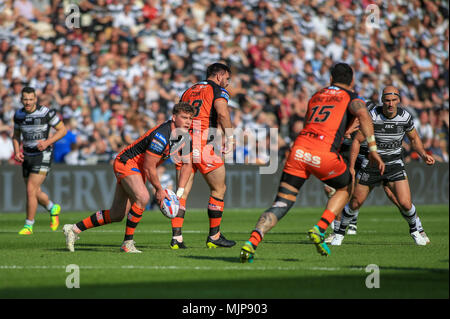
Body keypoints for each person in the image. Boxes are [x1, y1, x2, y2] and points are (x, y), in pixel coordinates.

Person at [240, 63, 385, 262]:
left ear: (331, 79)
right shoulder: (351, 97)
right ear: (352, 81)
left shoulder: (316, 96)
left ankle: (253, 240)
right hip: (323, 153)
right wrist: (373, 149)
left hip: (298, 149)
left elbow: (314, 123)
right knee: (346, 186)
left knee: (282, 201)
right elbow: (363, 115)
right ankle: (321, 227)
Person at [62, 102, 195, 253]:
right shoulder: (161, 135)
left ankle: (73, 229)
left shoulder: (185, 136)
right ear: (173, 117)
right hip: (126, 162)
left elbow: (187, 164)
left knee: (117, 214)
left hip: (138, 170)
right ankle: (127, 243)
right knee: (143, 197)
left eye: (190, 118)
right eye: (184, 117)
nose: (188, 121)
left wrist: (179, 193)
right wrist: (158, 189)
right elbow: (149, 166)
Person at [330, 86, 435, 246]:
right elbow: (357, 140)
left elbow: (414, 138)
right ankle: (339, 234)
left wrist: (423, 154)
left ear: (398, 100)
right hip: (371, 166)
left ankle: (416, 230)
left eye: (393, 100)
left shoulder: (405, 117)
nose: (390, 104)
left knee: (405, 203)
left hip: (394, 164)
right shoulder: (372, 116)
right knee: (355, 203)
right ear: (382, 101)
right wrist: (351, 167)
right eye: (387, 100)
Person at [171, 62, 236, 249]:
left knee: (182, 192)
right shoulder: (217, 90)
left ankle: (177, 238)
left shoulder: (188, 90)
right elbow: (222, 113)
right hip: (204, 141)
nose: (227, 83)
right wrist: (230, 138)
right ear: (219, 75)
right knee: (218, 189)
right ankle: (214, 236)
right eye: (227, 78)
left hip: (182, 141)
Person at [12, 86, 67, 235]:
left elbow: (63, 130)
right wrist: (17, 151)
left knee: (30, 189)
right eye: (25, 99)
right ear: (21, 100)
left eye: (31, 99)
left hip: (43, 154)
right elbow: (16, 135)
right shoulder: (18, 115)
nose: (28, 102)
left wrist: (48, 142)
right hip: (27, 155)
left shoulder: (46, 112)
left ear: (35, 99)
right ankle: (52, 207)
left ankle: (28, 225)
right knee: (35, 191)